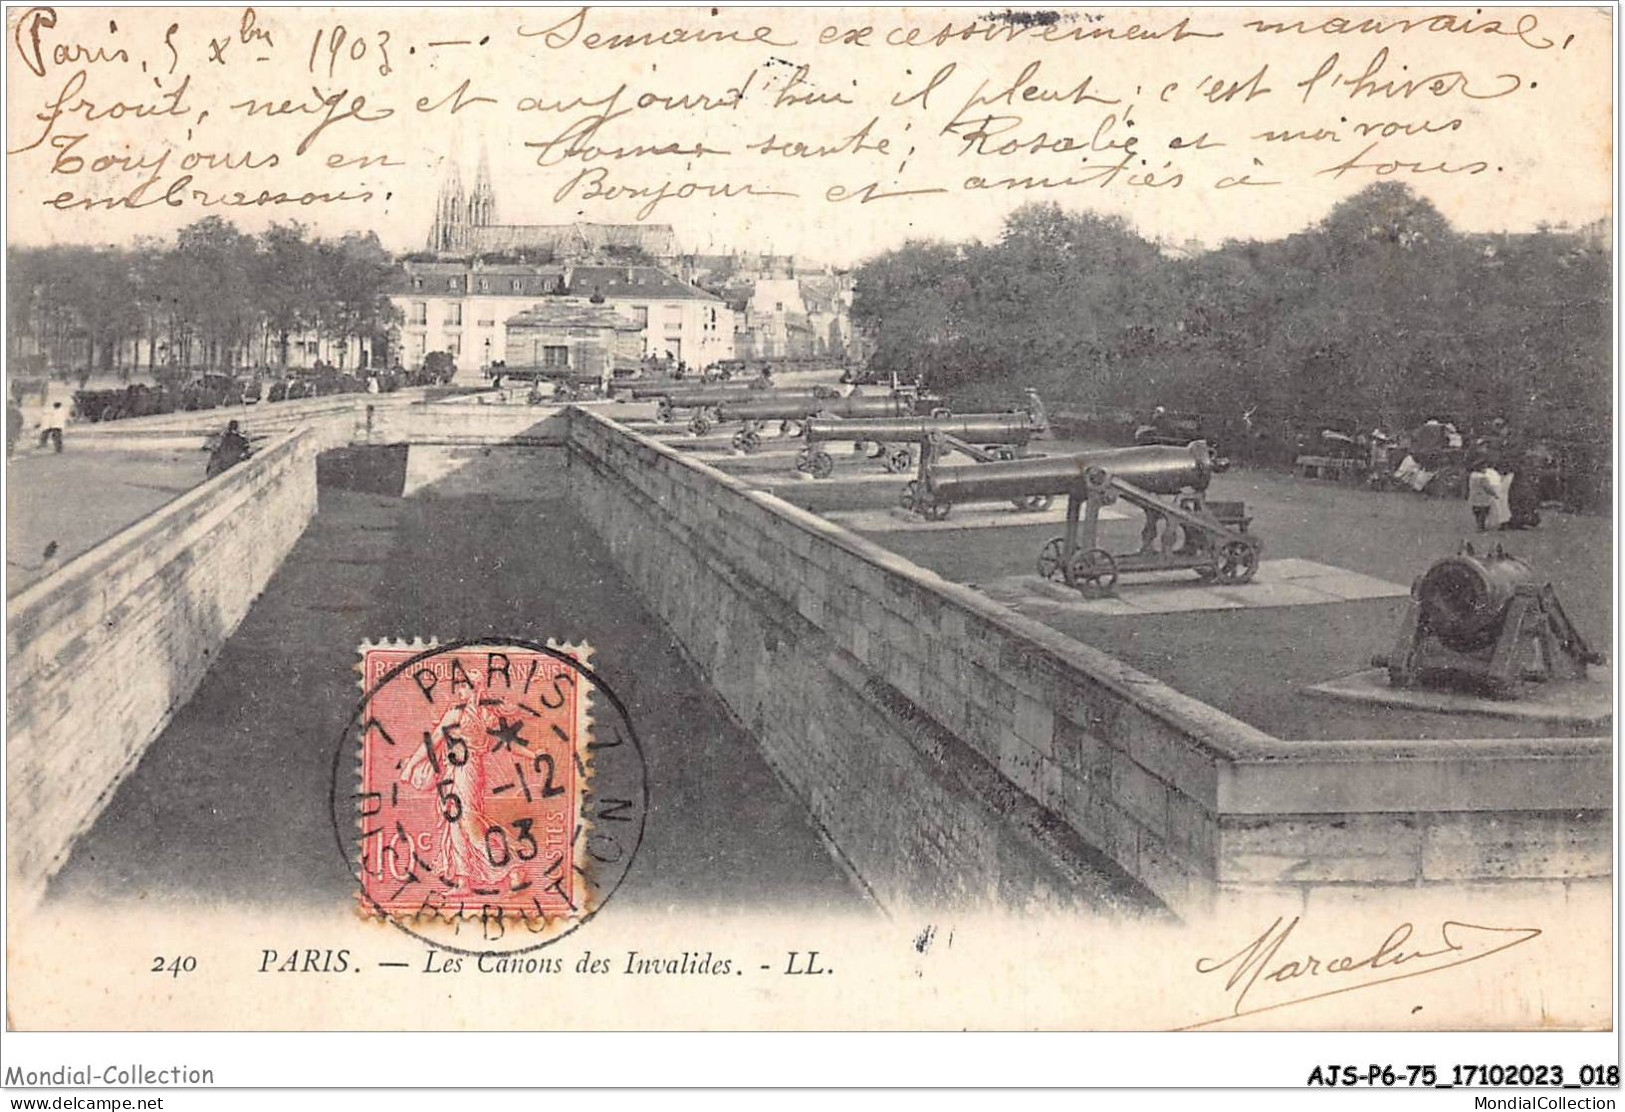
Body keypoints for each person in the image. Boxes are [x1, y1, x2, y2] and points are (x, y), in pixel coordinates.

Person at [1467, 458, 1504, 532]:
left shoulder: (1472, 476)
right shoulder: (1483, 478)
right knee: (1483, 512)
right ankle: (1481, 527)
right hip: (1482, 498)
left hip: (1474, 496)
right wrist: (1494, 494)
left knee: (1477, 512)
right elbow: (1487, 488)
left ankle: (1479, 525)